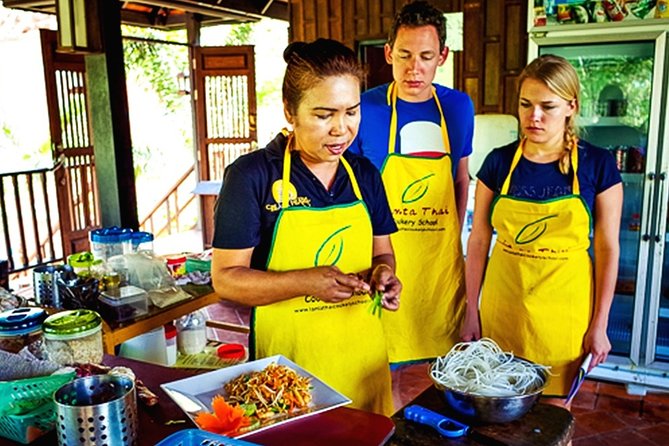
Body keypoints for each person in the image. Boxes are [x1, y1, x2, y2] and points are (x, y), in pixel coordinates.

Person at [210, 38, 402, 416]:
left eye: (352, 112)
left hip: (364, 364)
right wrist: (307, 281)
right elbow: (226, 279)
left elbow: (383, 251)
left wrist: (385, 274)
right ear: (290, 111)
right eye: (324, 114)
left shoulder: (363, 174)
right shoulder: (252, 175)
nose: (341, 129)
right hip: (287, 378)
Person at [461, 54, 623, 406]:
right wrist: (471, 310)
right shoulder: (499, 162)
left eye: (547, 106)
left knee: (552, 420)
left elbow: (609, 248)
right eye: (525, 104)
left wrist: (600, 324)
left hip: (564, 315)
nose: (534, 116)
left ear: (571, 106)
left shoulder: (598, 165)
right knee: (498, 412)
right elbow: (478, 240)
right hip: (503, 309)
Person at [350, 0, 474, 365]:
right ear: (388, 53)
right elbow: (356, 183)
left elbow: (461, 176)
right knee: (380, 365)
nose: (414, 68)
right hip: (383, 254)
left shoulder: (458, 107)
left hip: (437, 261)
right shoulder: (365, 106)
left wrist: (454, 232)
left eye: (425, 56)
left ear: (443, 56)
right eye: (404, 55)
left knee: (444, 369)